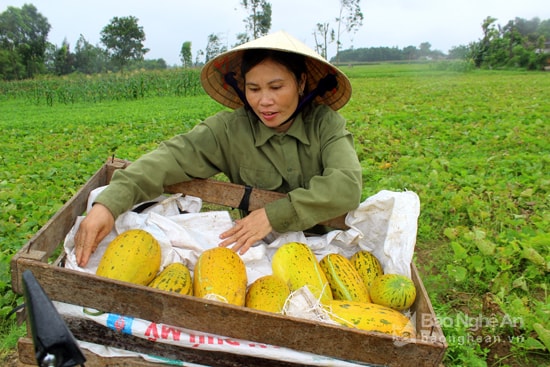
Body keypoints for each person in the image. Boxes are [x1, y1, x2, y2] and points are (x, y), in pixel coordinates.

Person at [75, 31, 362, 267]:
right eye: (254, 88)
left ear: (300, 83)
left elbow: (346, 186)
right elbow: (168, 158)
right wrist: (108, 205)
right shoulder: (229, 130)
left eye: (276, 87)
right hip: (259, 255)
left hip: (330, 252)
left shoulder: (325, 124)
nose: (264, 101)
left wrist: (272, 215)